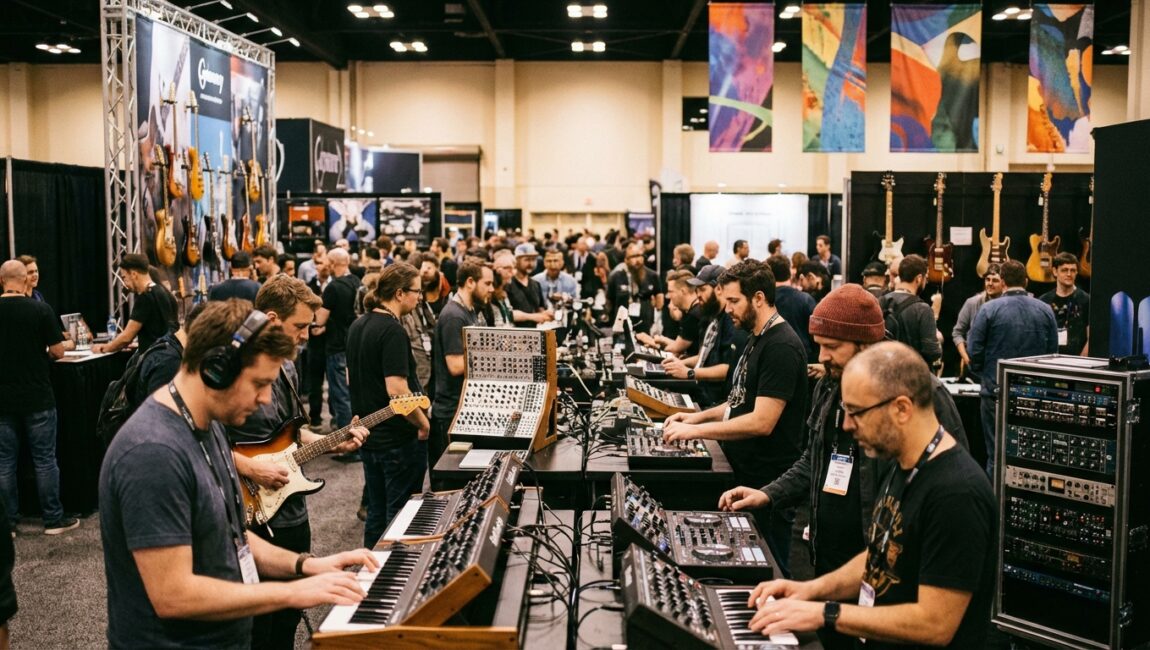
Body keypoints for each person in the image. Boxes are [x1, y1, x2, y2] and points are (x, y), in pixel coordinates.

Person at [99, 300, 376, 647]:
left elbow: (232, 536)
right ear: (216, 370)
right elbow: (173, 594)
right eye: (259, 383)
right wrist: (291, 593)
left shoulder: (209, 427)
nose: (265, 399)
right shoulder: (153, 453)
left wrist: (305, 566)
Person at [718, 286, 967, 649]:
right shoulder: (831, 384)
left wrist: (826, 610)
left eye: (832, 346)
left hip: (885, 580)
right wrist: (769, 494)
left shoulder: (942, 460)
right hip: (843, 563)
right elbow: (814, 460)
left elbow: (934, 616)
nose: (822, 357)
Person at [745, 343, 996, 650]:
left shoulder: (957, 494)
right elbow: (880, 553)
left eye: (856, 412)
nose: (847, 425)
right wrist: (810, 590)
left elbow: (935, 623)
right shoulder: (904, 464)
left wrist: (826, 613)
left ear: (901, 409)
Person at [227, 277, 366, 648]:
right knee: (258, 621)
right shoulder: (233, 367)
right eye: (300, 326)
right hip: (250, 510)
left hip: (291, 508)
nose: (307, 334)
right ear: (272, 319)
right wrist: (250, 468)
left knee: (288, 615)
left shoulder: (287, 367)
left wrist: (331, 442)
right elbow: (205, 443)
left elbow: (291, 431)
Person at [663, 260, 807, 575]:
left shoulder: (781, 346)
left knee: (772, 568)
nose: (727, 308)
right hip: (748, 471)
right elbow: (737, 402)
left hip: (768, 478)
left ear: (758, 298)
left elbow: (761, 422)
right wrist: (695, 419)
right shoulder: (756, 337)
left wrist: (698, 433)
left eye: (733, 301)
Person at [348, 263, 433, 547]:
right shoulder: (392, 331)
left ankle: (371, 568)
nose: (419, 297)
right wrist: (423, 424)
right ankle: (392, 572)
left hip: (370, 436)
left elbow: (351, 378)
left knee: (376, 512)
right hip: (397, 439)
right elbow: (397, 390)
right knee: (400, 517)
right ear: (399, 293)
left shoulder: (358, 325)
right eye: (416, 291)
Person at [0, 260, 77, 536]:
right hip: (37, 396)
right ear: (24, 281)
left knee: (4, 462)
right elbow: (58, 352)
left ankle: (7, 524)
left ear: (1, 281)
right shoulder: (40, 310)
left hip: (3, 399)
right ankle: (53, 520)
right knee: (44, 459)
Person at [967, 259, 1058, 475]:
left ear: (1003, 282)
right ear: (1026, 281)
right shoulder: (1045, 309)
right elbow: (1053, 354)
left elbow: (974, 352)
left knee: (996, 455)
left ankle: (995, 496)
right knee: (1031, 456)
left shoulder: (989, 309)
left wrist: (985, 374)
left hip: (995, 392)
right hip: (1034, 393)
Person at [430, 261, 495, 470]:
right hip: (452, 411)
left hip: (463, 408)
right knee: (451, 476)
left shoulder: (470, 311)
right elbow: (456, 365)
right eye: (487, 283)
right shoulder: (453, 316)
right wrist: (495, 359)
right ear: (470, 282)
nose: (492, 289)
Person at [661, 264, 744, 407]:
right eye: (697, 290)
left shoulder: (731, 321)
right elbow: (704, 357)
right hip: (701, 390)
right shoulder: (713, 316)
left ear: (719, 289)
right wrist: (680, 364)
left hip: (712, 399)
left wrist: (690, 373)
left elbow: (728, 369)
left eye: (703, 289)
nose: (698, 294)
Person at [314, 248, 361, 432]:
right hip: (355, 345)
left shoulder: (333, 288)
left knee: (341, 396)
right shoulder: (357, 282)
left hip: (337, 346)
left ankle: (347, 439)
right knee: (353, 395)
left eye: (327, 262)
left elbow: (320, 319)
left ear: (333, 264)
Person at [94, 253, 178, 354]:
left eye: (124, 277)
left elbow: (127, 337)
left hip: (154, 357)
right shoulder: (162, 291)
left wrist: (104, 348)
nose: (125, 284)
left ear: (134, 274)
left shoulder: (145, 298)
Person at [878, 254, 942, 367]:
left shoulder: (880, 302)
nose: (926, 282)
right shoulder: (923, 309)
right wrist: (938, 340)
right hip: (913, 373)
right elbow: (932, 352)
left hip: (885, 371)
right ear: (919, 278)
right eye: (926, 278)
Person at [952, 264, 1004, 381]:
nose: (990, 283)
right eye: (987, 279)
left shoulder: (1007, 305)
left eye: (995, 280)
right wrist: (966, 358)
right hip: (974, 365)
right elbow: (957, 332)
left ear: (1003, 283)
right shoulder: (972, 302)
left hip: (997, 363)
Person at [767, 254, 817, 363]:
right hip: (804, 360)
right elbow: (816, 335)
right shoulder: (806, 299)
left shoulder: (764, 302)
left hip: (772, 359)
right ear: (789, 273)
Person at [1039, 252, 1090, 355]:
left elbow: (1091, 338)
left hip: (1077, 360)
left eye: (1073, 270)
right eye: (1064, 270)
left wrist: (1081, 361)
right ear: (1055, 271)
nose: (1069, 274)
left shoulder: (1086, 300)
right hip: (1049, 359)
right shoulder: (1044, 301)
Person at [606, 242, 663, 334]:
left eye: (639, 256)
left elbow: (659, 300)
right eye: (633, 256)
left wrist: (656, 319)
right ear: (626, 260)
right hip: (622, 326)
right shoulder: (616, 276)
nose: (637, 260)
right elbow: (609, 301)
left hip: (645, 325)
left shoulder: (653, 276)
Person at [304, 252, 332, 428]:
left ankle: (336, 417)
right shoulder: (309, 286)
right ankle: (315, 417)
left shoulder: (334, 286)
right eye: (319, 263)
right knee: (315, 382)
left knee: (335, 384)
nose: (321, 267)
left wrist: (326, 327)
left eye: (324, 263)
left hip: (331, 340)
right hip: (314, 342)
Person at [647, 270, 701, 356]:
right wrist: (662, 340)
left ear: (683, 291)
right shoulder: (694, 310)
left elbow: (677, 348)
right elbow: (679, 343)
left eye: (670, 291)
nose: (668, 296)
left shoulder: (693, 315)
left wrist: (650, 342)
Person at [506, 243, 553, 327]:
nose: (531, 263)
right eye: (527, 260)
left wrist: (546, 314)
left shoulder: (536, 284)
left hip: (534, 331)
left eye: (533, 260)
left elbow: (540, 308)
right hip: (514, 331)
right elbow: (507, 313)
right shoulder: (508, 283)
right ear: (516, 261)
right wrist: (533, 317)